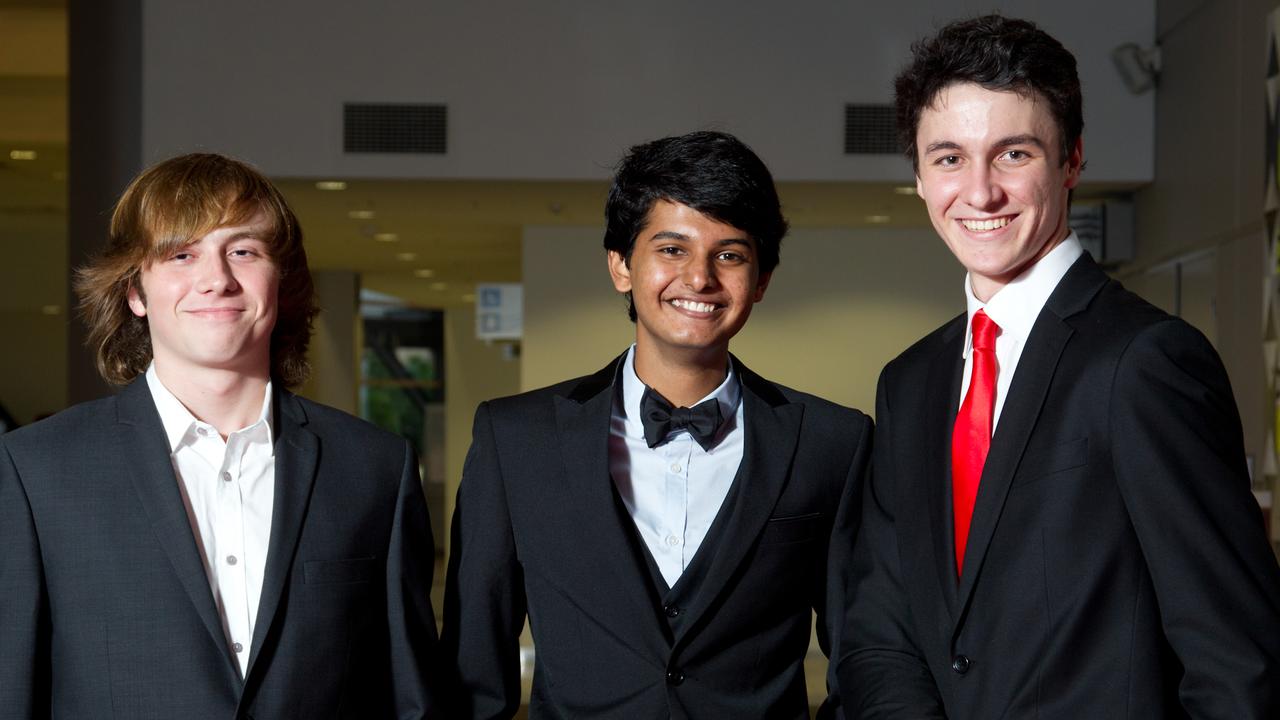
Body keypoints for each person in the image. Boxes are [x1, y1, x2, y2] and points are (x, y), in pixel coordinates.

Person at [836, 14, 1280, 719]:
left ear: (1072, 159)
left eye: (1013, 154)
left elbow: (1236, 661)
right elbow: (878, 630)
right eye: (949, 158)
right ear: (919, 177)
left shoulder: (1144, 362)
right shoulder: (910, 382)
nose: (979, 194)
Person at [441, 130, 871, 718]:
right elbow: (471, 673)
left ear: (761, 280)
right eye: (672, 249)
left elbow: (862, 657)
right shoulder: (515, 439)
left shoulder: (832, 443)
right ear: (621, 265)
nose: (700, 278)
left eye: (730, 254)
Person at [0, 153, 439, 718]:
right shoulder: (36, 470)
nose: (217, 279)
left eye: (243, 251)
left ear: (280, 281)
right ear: (134, 291)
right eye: (181, 255)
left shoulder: (375, 467)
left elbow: (410, 697)